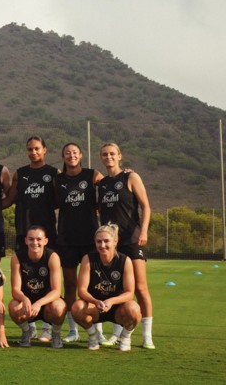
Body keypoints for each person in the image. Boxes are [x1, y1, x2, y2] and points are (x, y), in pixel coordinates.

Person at [98, 143, 154, 349]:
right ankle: (117, 333)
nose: (108, 157)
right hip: (112, 245)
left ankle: (147, 335)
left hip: (132, 239)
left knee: (140, 288)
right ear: (101, 158)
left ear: (120, 156)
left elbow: (146, 206)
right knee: (116, 289)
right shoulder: (102, 183)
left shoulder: (131, 177)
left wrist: (144, 231)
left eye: (112, 153)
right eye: (105, 154)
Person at [5, 135, 58, 341]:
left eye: (37, 148)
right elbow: (8, 199)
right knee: (28, 277)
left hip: (45, 234)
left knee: (46, 276)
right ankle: (30, 326)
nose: (33, 152)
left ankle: (47, 326)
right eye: (30, 149)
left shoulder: (53, 173)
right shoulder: (20, 174)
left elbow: (62, 197)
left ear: (44, 149)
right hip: (24, 232)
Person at [55, 142, 103, 342]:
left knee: (93, 285)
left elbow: (111, 183)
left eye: (74, 152)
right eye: (67, 153)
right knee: (70, 284)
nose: (71, 155)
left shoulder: (92, 175)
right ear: (63, 157)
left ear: (81, 155)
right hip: (66, 237)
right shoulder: (57, 180)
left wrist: (126, 172)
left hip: (89, 237)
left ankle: (98, 330)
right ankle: (72, 330)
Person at [71, 224, 141, 351]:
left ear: (115, 241)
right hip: (95, 307)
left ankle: (125, 337)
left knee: (134, 310)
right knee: (77, 307)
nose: (102, 245)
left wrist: (111, 301)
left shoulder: (125, 261)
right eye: (99, 242)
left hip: (117, 309)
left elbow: (130, 293)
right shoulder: (88, 259)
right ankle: (93, 337)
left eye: (106, 241)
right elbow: (81, 290)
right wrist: (95, 301)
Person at [9, 225, 66, 348]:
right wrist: (24, 299)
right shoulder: (17, 257)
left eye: (39, 239)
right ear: (26, 240)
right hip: (28, 304)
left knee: (59, 307)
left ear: (45, 241)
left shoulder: (52, 257)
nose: (35, 242)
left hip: (46, 304)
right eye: (31, 239)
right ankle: (26, 331)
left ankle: (55, 334)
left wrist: (39, 303)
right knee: (13, 306)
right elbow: (15, 290)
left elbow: (56, 291)